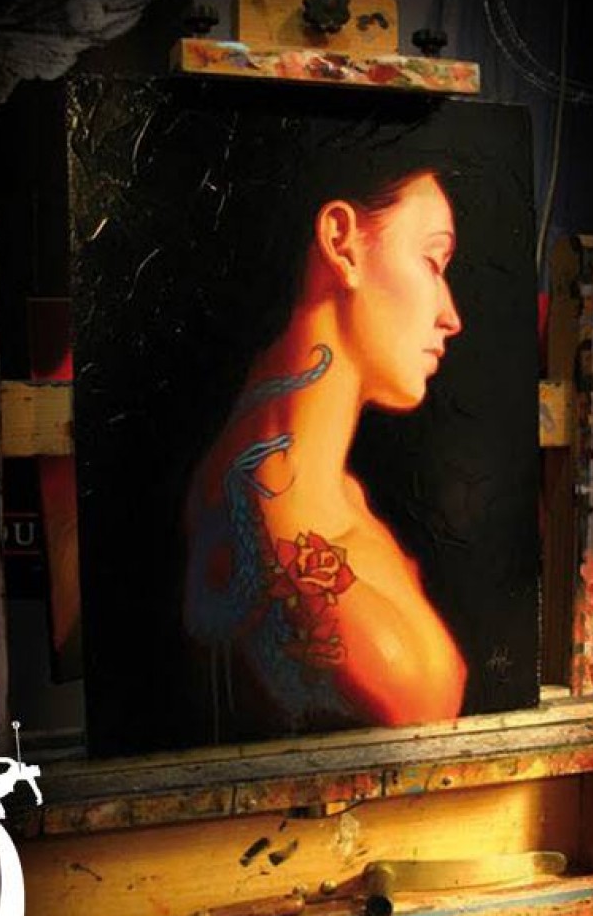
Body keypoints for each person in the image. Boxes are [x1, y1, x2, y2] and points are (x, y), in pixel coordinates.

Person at [183, 161, 469, 737]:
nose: (451, 317)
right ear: (342, 242)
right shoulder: (263, 518)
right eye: (432, 261)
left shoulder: (338, 497)